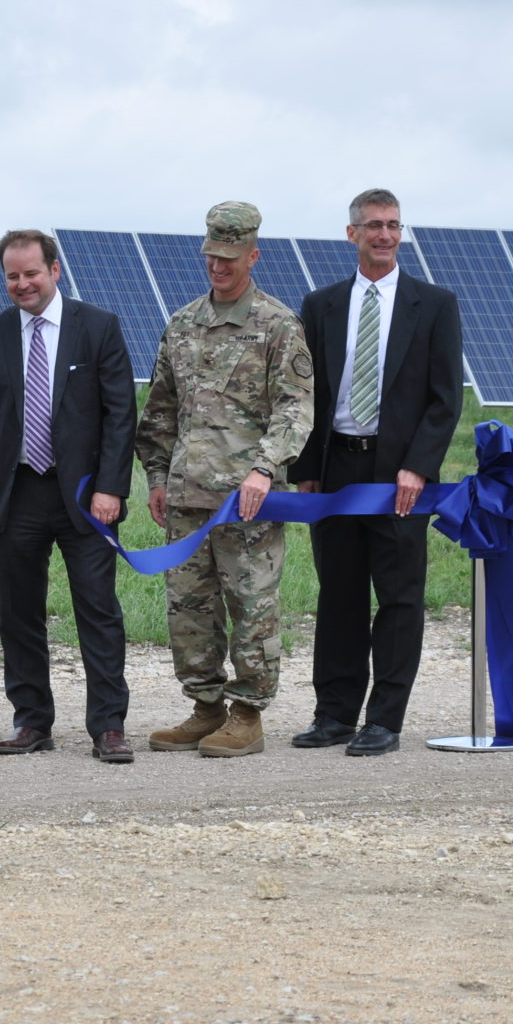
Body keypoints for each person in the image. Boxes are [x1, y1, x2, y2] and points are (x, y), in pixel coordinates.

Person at [287, 188, 464, 757]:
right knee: (338, 595)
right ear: (352, 234)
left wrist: (418, 467)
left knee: (398, 597)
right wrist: (306, 470)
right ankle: (334, 715)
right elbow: (307, 396)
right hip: (336, 470)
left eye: (393, 225)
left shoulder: (433, 304)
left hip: (398, 477)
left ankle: (384, 719)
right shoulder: (321, 306)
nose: (384, 235)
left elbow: (444, 399)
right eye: (373, 226)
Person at [135, 201, 314, 758]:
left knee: (251, 607)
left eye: (230, 258)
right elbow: (160, 410)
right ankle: (205, 708)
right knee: (189, 610)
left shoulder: (277, 325)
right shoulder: (183, 323)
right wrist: (158, 477)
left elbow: (295, 407)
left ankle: (247, 714)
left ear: (253, 255)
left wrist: (264, 469)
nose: (219, 266)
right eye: (212, 256)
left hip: (247, 504)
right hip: (187, 499)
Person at [0, 229, 136, 764]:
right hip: (17, 495)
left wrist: (110, 488)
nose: (22, 284)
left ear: (54, 271)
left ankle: (108, 726)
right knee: (19, 613)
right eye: (12, 275)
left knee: (97, 609)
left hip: (84, 496)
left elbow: (120, 414)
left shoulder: (97, 327)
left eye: (31, 273)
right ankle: (32, 720)